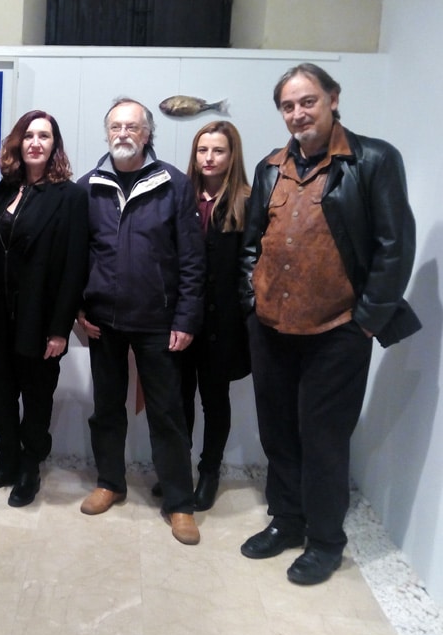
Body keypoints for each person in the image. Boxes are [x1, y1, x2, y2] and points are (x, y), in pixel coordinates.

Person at [239, 63, 419, 585]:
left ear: (333, 99)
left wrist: (365, 321)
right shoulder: (271, 167)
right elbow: (250, 245)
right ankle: (287, 521)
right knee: (278, 434)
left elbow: (394, 246)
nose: (298, 114)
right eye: (288, 106)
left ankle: (324, 540)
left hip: (337, 331)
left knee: (323, 439)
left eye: (308, 101)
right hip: (271, 328)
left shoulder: (374, 160)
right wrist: (249, 300)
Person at [76, 97, 204, 545]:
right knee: (107, 410)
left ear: (147, 133)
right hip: (102, 321)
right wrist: (77, 310)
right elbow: (76, 257)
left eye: (132, 126)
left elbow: (191, 259)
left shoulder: (175, 184)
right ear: (107, 132)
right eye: (116, 126)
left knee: (167, 416)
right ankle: (110, 481)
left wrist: (186, 317)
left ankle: (179, 504)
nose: (123, 133)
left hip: (158, 322)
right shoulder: (88, 185)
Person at [0, 110, 88, 507]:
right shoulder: (6, 189)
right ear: (18, 143)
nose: (36, 142)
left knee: (36, 401)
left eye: (45, 136)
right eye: (29, 135)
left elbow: (74, 267)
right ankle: (7, 459)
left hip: (40, 322)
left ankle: (29, 468)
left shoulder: (70, 196)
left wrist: (60, 329)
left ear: (54, 145)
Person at [179, 121, 252, 511]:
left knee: (215, 400)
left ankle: (209, 472)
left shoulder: (246, 200)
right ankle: (179, 471)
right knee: (180, 399)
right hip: (183, 318)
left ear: (231, 155)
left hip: (224, 325)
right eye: (202, 150)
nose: (208, 158)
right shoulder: (181, 196)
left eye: (218, 150)